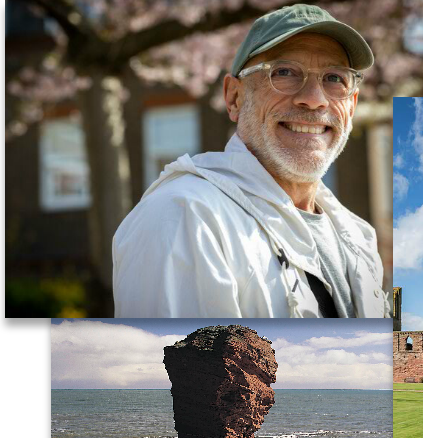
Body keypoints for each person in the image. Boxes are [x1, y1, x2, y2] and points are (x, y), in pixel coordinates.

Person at [112, 4, 389, 317]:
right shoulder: (186, 219)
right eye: (283, 72)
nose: (314, 98)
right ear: (234, 97)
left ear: (351, 106)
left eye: (334, 78)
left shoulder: (357, 235)